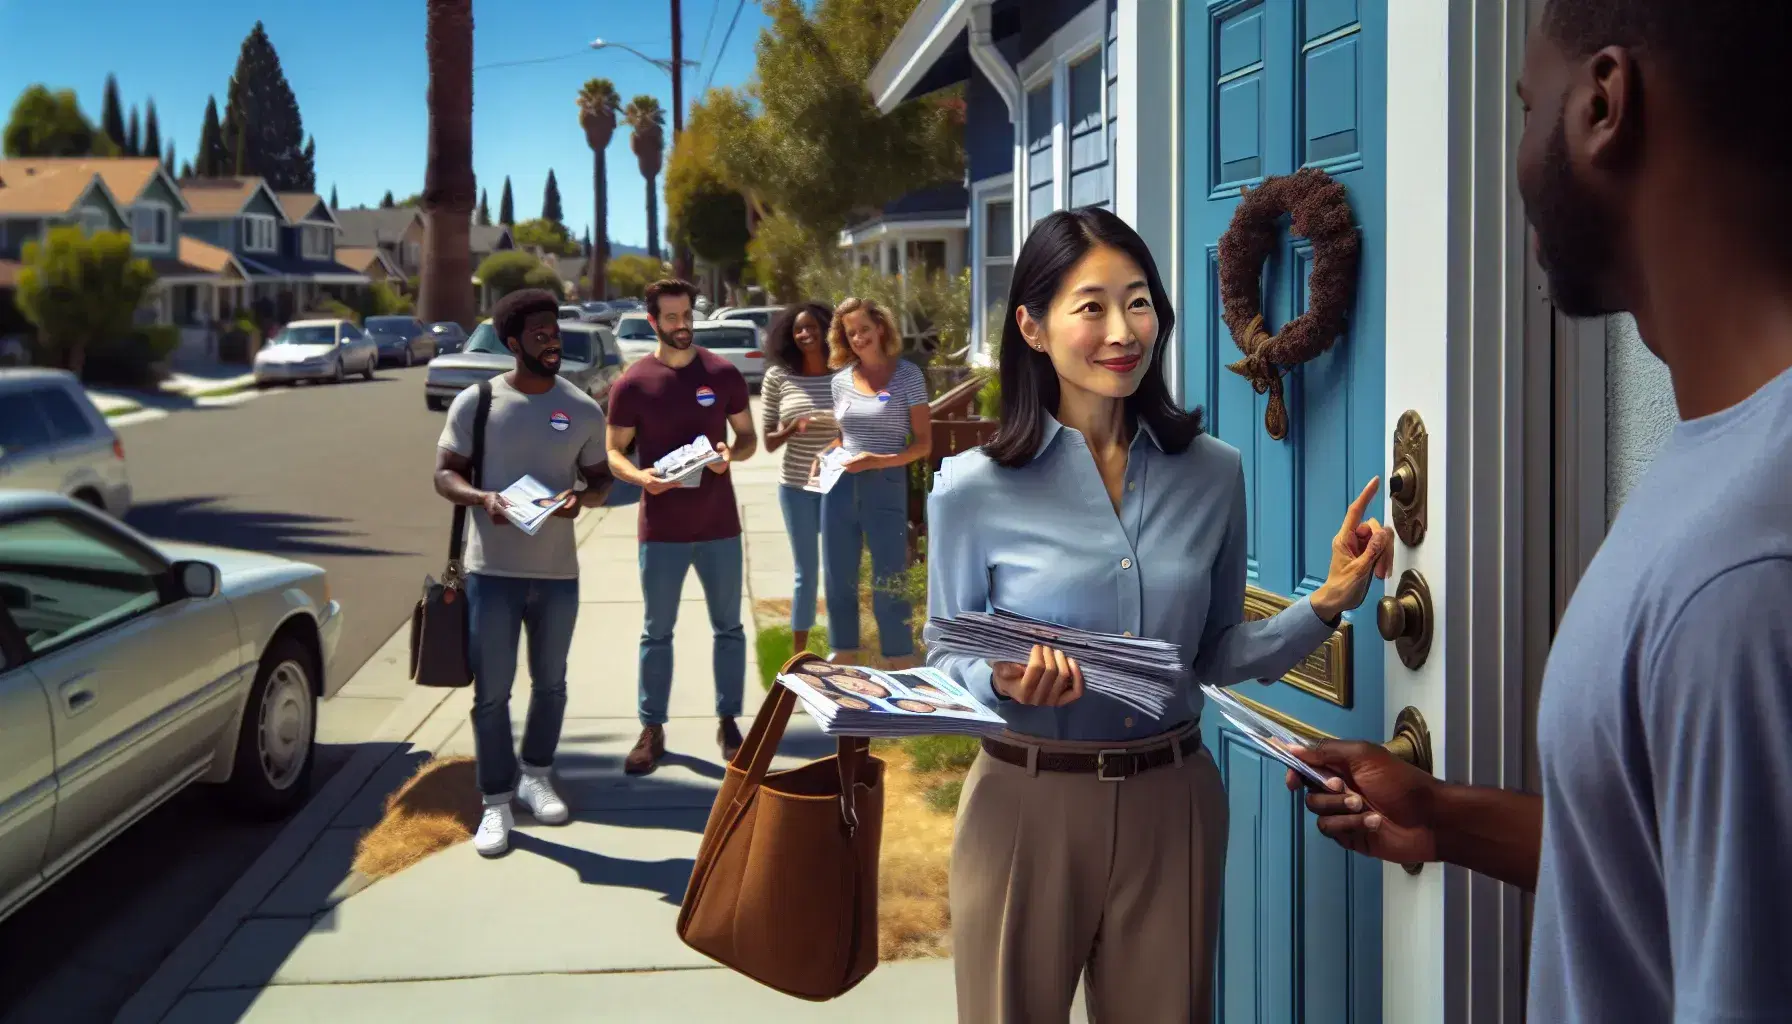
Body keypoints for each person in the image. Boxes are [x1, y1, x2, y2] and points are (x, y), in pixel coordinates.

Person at [1288, 3, 1792, 1019]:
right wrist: (1439, 813)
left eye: (1528, 106)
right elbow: (1668, 861)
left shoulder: (1745, 572)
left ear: (1604, 103)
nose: (1517, 153)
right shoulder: (1717, 459)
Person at [925, 207, 1392, 1022]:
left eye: (1138, 302)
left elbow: (1211, 652)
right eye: (1092, 306)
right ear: (1033, 327)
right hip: (1023, 808)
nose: (1122, 330)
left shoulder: (1214, 473)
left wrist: (1326, 602)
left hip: (1171, 802)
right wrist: (998, 681)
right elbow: (942, 656)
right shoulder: (971, 488)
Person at [432, 288, 613, 857]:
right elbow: (444, 475)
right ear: (513, 342)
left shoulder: (582, 407)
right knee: (492, 693)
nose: (552, 342)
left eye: (555, 332)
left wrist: (579, 499)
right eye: (540, 334)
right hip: (492, 573)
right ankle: (495, 802)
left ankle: (536, 774)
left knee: (551, 684)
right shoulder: (478, 403)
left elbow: (601, 478)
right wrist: (482, 497)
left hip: (558, 574)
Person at [604, 278, 757, 775]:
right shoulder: (633, 383)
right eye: (671, 317)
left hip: (719, 527)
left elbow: (748, 438)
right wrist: (640, 477)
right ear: (653, 322)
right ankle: (652, 729)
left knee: (729, 629)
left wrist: (728, 456)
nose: (682, 325)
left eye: (687, 314)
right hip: (662, 529)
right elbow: (613, 453)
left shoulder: (723, 372)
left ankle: (729, 721)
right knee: (657, 632)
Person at [816, 297, 931, 669]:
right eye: (851, 334)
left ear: (880, 327)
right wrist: (824, 458)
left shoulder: (908, 375)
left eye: (864, 329)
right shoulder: (839, 382)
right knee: (838, 573)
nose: (859, 338)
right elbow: (844, 436)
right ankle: (844, 649)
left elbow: (922, 444)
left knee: (890, 574)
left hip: (885, 483)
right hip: (839, 487)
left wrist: (877, 461)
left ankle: (898, 653)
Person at [758, 302, 840, 655]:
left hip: (838, 485)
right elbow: (768, 442)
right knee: (805, 574)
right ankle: (800, 656)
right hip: (795, 488)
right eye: (797, 330)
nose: (805, 335)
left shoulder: (846, 374)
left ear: (826, 330)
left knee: (839, 572)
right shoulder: (778, 377)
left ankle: (842, 648)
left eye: (811, 328)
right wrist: (793, 427)